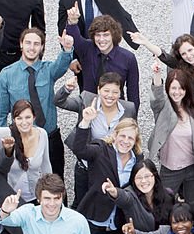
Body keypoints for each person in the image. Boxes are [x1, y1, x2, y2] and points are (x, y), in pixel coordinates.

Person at [0, 27, 74, 179]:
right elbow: (0, 112)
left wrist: (67, 49)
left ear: (42, 47)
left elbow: (61, 66)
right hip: (22, 140)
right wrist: (4, 142)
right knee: (27, 184)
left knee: (56, 181)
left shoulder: (48, 69)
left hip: (50, 137)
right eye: (28, 43)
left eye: (36, 44)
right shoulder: (7, 74)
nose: (32, 47)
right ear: (21, 44)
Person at [70, 114, 142, 234]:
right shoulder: (101, 149)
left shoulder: (137, 160)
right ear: (115, 135)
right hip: (96, 222)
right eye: (122, 136)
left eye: (130, 138)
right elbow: (79, 149)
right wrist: (85, 122)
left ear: (135, 141)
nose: (125, 141)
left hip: (120, 224)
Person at [58, 72, 138, 208]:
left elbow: (131, 133)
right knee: (82, 203)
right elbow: (59, 102)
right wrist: (67, 89)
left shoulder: (128, 108)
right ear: (98, 90)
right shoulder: (87, 100)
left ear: (120, 93)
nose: (110, 96)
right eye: (106, 90)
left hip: (112, 168)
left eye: (115, 92)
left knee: (108, 204)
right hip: (87, 164)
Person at [149, 64, 194, 216]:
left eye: (180, 88)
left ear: (186, 90)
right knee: (165, 203)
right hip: (170, 169)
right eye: (173, 88)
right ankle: (165, 233)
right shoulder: (163, 108)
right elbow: (156, 97)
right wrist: (157, 75)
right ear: (168, 89)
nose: (177, 92)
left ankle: (193, 232)